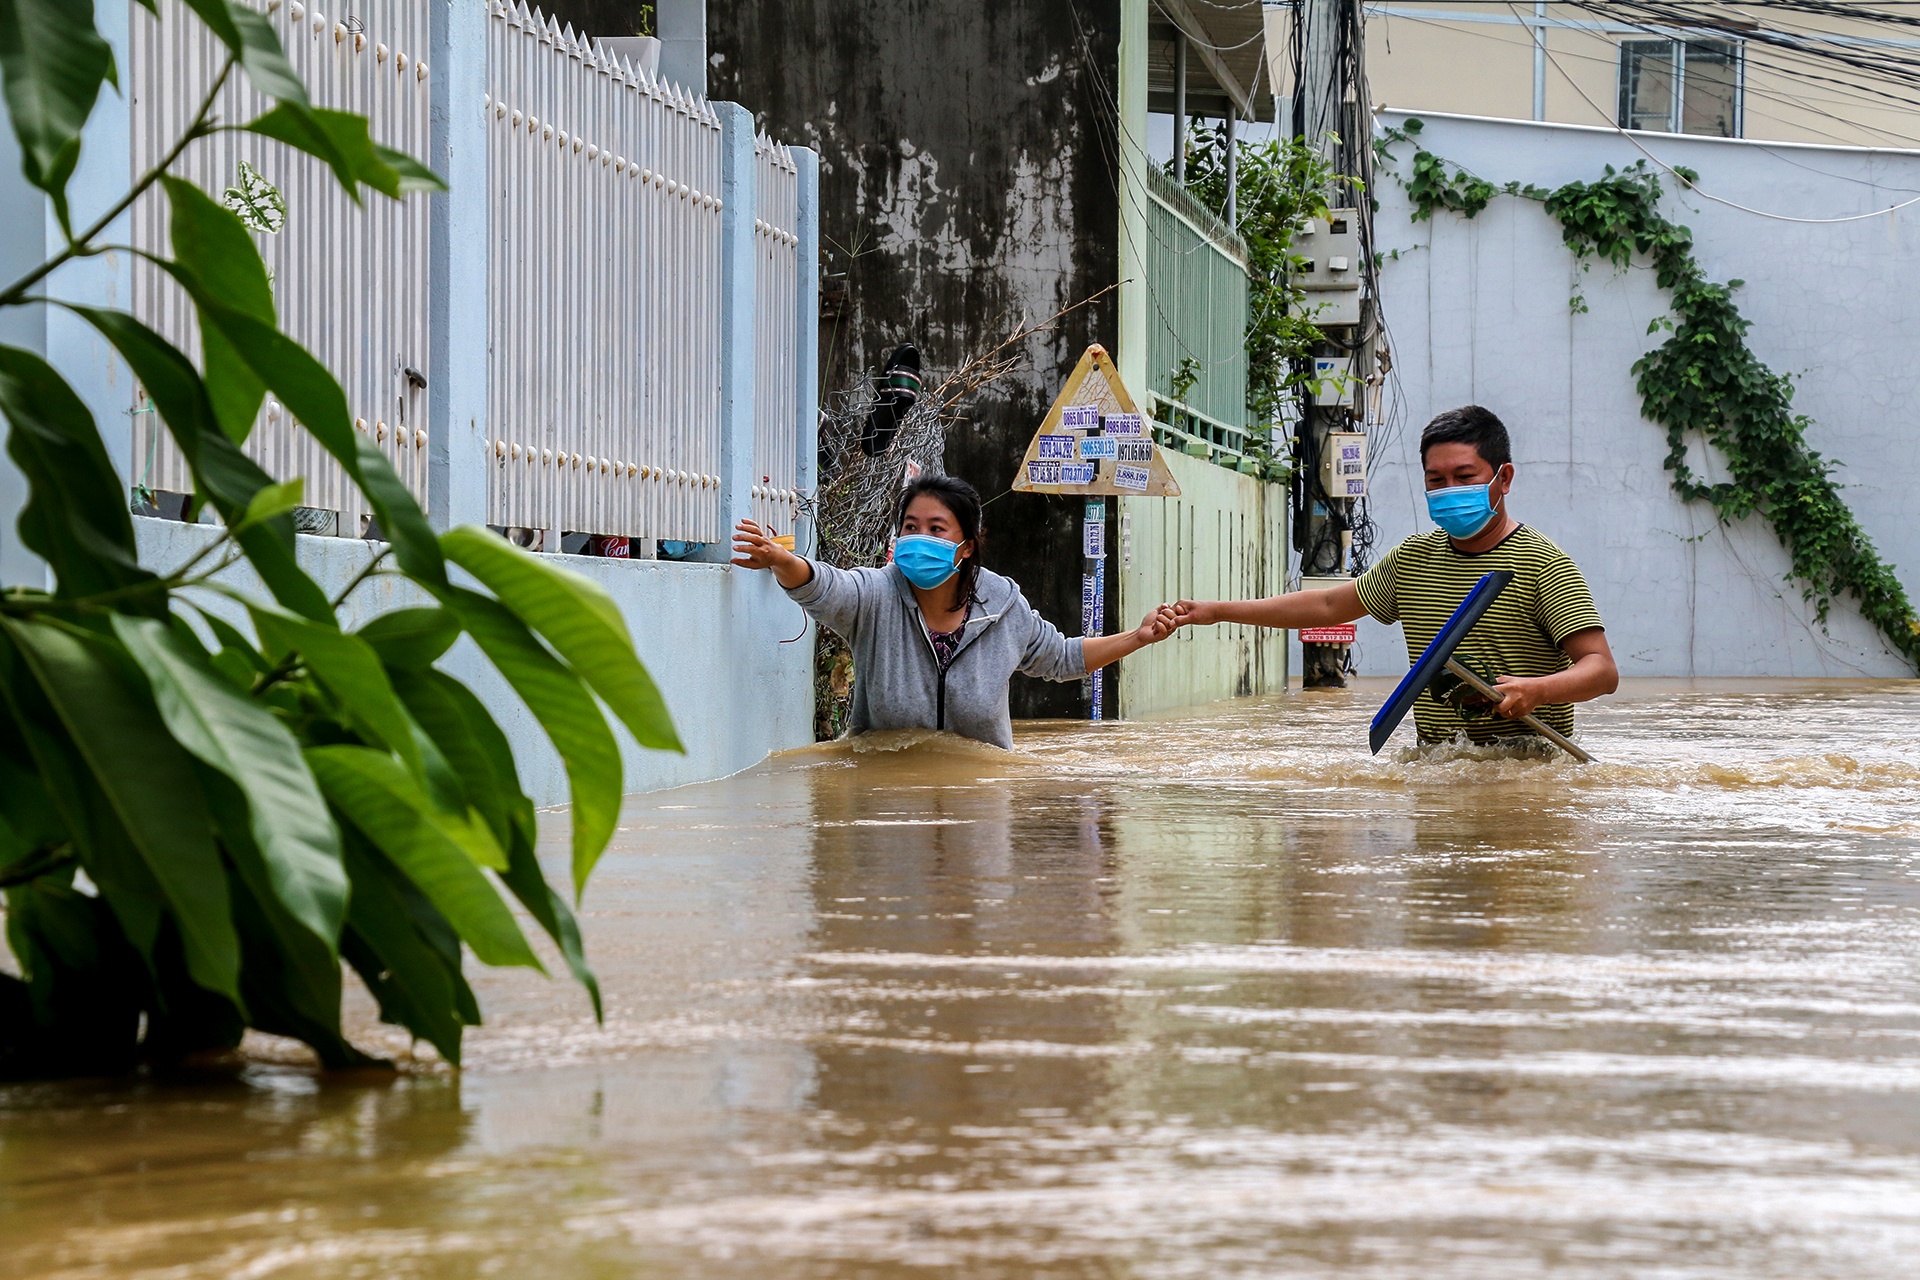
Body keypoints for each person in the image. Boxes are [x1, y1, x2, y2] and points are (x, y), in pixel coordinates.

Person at [1175, 405, 1618, 746]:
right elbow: (1329, 605)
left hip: (1532, 766)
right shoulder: (1414, 559)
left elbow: (1601, 670)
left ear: (1503, 479)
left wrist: (1538, 690)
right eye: (1436, 480)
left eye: (1464, 477)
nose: (1448, 491)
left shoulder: (1543, 565)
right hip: (1439, 761)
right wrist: (1216, 611)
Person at [732, 474, 1177, 749]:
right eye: (910, 527)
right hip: (886, 800)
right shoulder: (875, 598)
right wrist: (780, 559)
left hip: (979, 802)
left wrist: (1137, 637)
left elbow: (1062, 658)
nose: (918, 537)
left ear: (965, 545)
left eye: (935, 528)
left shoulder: (1003, 606)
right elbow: (823, 587)